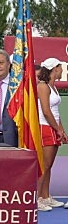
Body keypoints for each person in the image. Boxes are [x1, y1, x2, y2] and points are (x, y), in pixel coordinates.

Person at [36, 58, 67, 211]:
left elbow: (55, 113)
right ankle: (37, 199)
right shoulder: (42, 86)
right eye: (60, 68)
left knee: (49, 166)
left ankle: (46, 196)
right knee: (44, 165)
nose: (62, 71)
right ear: (55, 69)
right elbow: (46, 112)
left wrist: (61, 129)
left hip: (53, 128)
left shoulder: (52, 87)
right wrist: (57, 129)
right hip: (45, 127)